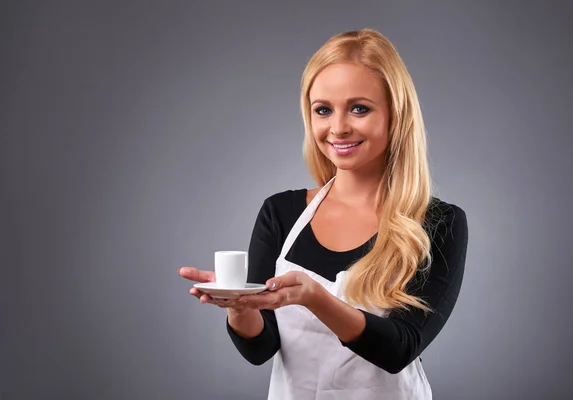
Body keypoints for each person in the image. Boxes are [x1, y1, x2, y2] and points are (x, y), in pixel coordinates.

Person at [178, 28, 468, 400]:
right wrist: (239, 307)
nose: (338, 127)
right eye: (323, 110)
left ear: (395, 115)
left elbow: (400, 349)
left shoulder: (438, 224)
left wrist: (314, 297)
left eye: (359, 108)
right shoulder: (280, 212)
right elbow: (261, 348)